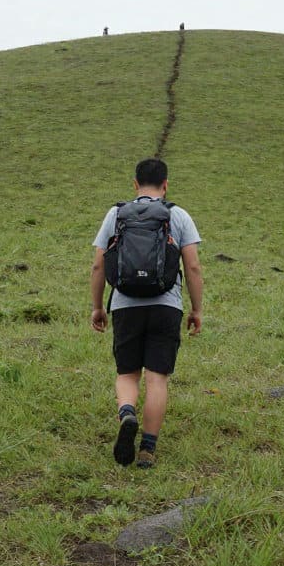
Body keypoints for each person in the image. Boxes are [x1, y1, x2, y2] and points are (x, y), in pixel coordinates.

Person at [90, 158, 203, 468]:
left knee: (127, 374)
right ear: (166, 185)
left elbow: (99, 264)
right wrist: (196, 309)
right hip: (166, 306)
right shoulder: (176, 215)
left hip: (125, 304)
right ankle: (147, 451)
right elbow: (192, 266)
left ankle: (127, 413)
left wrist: (98, 306)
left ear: (135, 184)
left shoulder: (116, 214)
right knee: (157, 379)